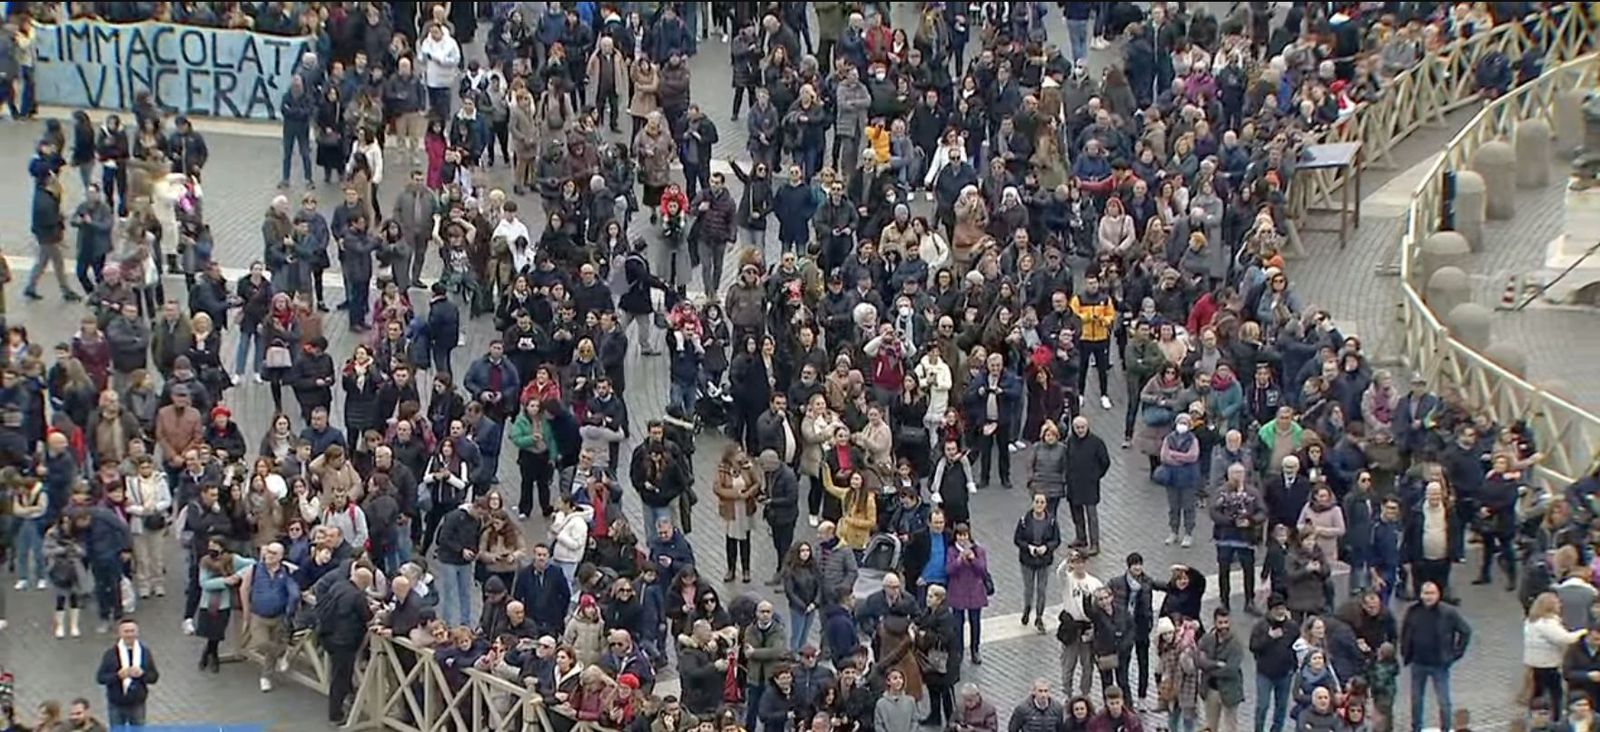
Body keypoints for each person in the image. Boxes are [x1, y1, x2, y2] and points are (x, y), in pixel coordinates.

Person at [1400, 581, 1472, 732]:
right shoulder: (1413, 611)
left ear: (1438, 594)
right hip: (1418, 662)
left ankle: (1445, 728)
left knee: (1443, 701)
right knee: (1416, 700)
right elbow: (1405, 632)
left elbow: (1465, 631)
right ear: (1420, 595)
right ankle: (1416, 728)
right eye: (1425, 593)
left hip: (1439, 664)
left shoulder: (1448, 612)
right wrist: (1406, 651)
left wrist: (1456, 653)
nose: (1428, 597)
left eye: (1432, 593)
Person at [318, 566, 375, 724]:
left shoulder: (339, 585)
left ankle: (349, 695)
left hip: (328, 635)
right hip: (344, 641)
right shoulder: (358, 596)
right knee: (340, 677)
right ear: (364, 583)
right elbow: (366, 616)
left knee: (340, 673)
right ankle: (335, 714)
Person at [94, 618, 159, 727]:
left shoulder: (144, 653)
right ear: (119, 633)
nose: (129, 635)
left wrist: (142, 674)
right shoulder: (111, 654)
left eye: (132, 631)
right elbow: (100, 678)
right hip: (116, 703)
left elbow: (154, 677)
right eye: (126, 631)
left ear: (137, 632)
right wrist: (117, 676)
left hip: (137, 703)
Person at [1015, 492, 1061, 633]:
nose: (1039, 505)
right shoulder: (1024, 521)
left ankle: (1039, 616)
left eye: (1042, 502)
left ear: (1045, 505)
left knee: (1042, 589)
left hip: (1044, 560)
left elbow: (1056, 540)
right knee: (1029, 589)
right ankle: (1027, 609)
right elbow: (1018, 539)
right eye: (1037, 502)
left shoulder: (1051, 521)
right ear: (1033, 503)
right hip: (1027, 560)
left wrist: (1046, 547)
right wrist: (1029, 547)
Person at [1196, 608, 1244, 732]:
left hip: (1229, 691)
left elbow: (1231, 670)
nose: (1223, 626)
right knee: (1210, 727)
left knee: (1230, 727)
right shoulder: (1207, 639)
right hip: (1210, 690)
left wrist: (1208, 667)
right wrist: (1217, 664)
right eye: (1220, 622)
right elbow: (1197, 659)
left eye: (1226, 622)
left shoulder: (1236, 644)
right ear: (1215, 622)